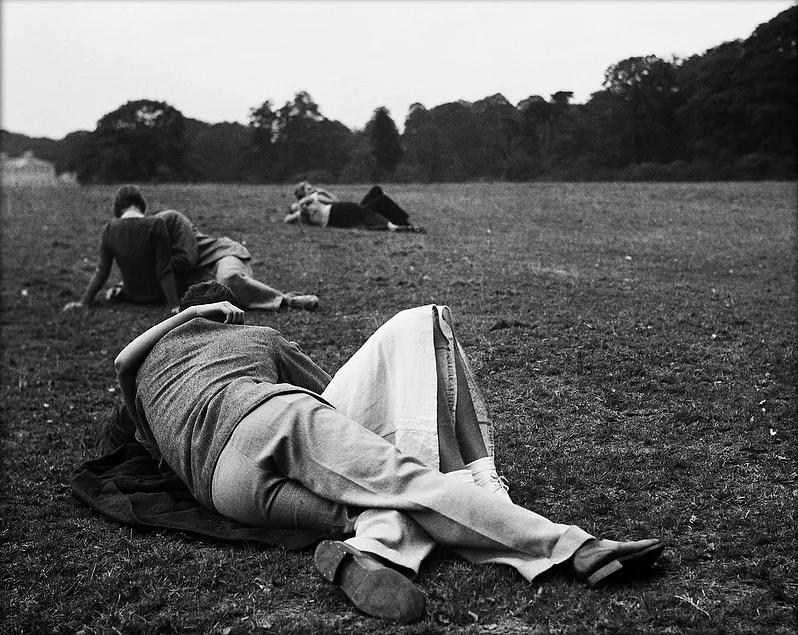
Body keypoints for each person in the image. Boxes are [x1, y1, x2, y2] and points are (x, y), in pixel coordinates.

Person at [114, 282, 665, 623]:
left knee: (375, 511)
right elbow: (332, 396)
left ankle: (363, 556)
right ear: (226, 312)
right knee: (409, 484)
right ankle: (577, 548)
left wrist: (181, 321)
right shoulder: (255, 338)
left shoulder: (142, 378)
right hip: (272, 420)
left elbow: (121, 364)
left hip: (222, 491)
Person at [63, 186, 319, 314]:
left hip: (221, 256)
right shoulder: (130, 232)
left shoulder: (168, 220)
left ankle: (288, 300)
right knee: (218, 296)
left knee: (228, 281)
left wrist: (153, 264)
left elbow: (188, 258)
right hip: (200, 282)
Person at [284, 182, 424, 232]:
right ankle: (403, 224)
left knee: (376, 190)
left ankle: (398, 223)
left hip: (345, 209)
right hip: (344, 211)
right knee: (381, 201)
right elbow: (335, 202)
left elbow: (335, 200)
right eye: (309, 188)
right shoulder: (308, 202)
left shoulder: (316, 197)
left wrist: (322, 191)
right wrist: (316, 196)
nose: (312, 188)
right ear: (303, 194)